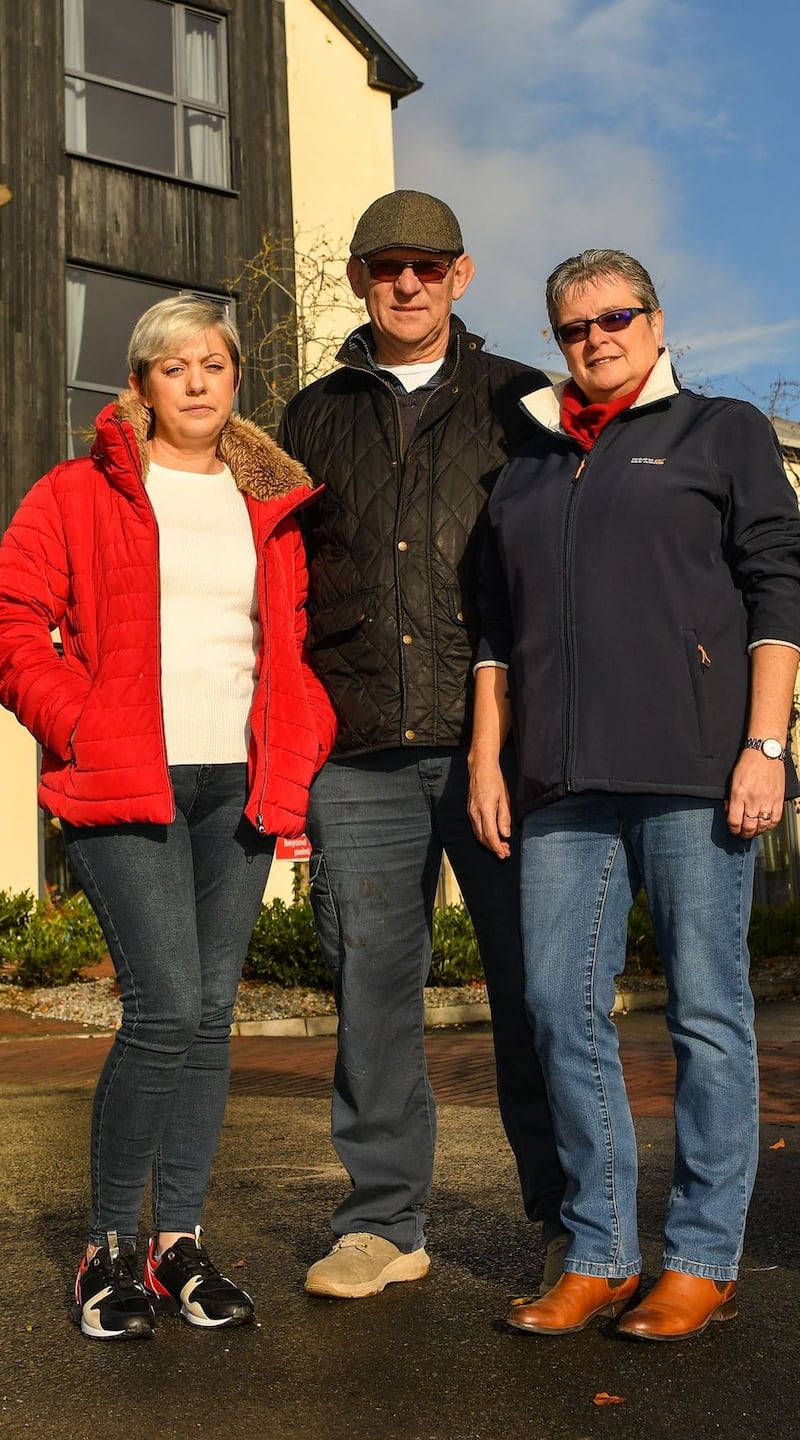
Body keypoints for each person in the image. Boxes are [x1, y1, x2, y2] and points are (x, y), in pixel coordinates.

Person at [468, 248, 800, 1340]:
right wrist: (487, 757)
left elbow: (774, 588)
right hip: (560, 780)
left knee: (705, 1015)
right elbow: (493, 631)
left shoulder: (721, 432)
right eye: (572, 326)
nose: (595, 337)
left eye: (616, 317)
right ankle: (602, 1247)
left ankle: (702, 1255)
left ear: (655, 324)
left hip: (692, 773)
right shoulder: (527, 460)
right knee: (558, 1007)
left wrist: (765, 743)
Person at [0, 295, 336, 1340]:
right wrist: (81, 724)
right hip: (124, 779)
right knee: (163, 1009)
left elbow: (294, 642)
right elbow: (16, 622)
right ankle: (108, 1252)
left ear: (235, 380)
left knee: (208, 1018)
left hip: (234, 783)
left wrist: (300, 746)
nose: (197, 381)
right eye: (172, 366)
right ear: (138, 384)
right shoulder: (77, 490)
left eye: (214, 364)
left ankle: (179, 1243)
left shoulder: (268, 503)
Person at [278, 189, 565, 1300]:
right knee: (372, 992)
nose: (406, 283)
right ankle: (380, 1223)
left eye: (427, 266)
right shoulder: (309, 416)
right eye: (385, 265)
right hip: (356, 750)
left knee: (533, 990)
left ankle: (566, 1219)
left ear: (461, 276)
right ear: (358, 278)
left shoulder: (519, 401)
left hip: (498, 742)